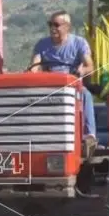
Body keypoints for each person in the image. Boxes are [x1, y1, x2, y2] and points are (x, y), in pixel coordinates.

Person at [28, 10, 97, 142]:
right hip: (49, 87)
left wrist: (81, 71)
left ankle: (89, 135)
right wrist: (31, 72)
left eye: (56, 24)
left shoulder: (79, 43)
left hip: (72, 87)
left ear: (67, 27)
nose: (52, 28)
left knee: (85, 94)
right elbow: (34, 67)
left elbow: (90, 67)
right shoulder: (42, 45)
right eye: (50, 24)